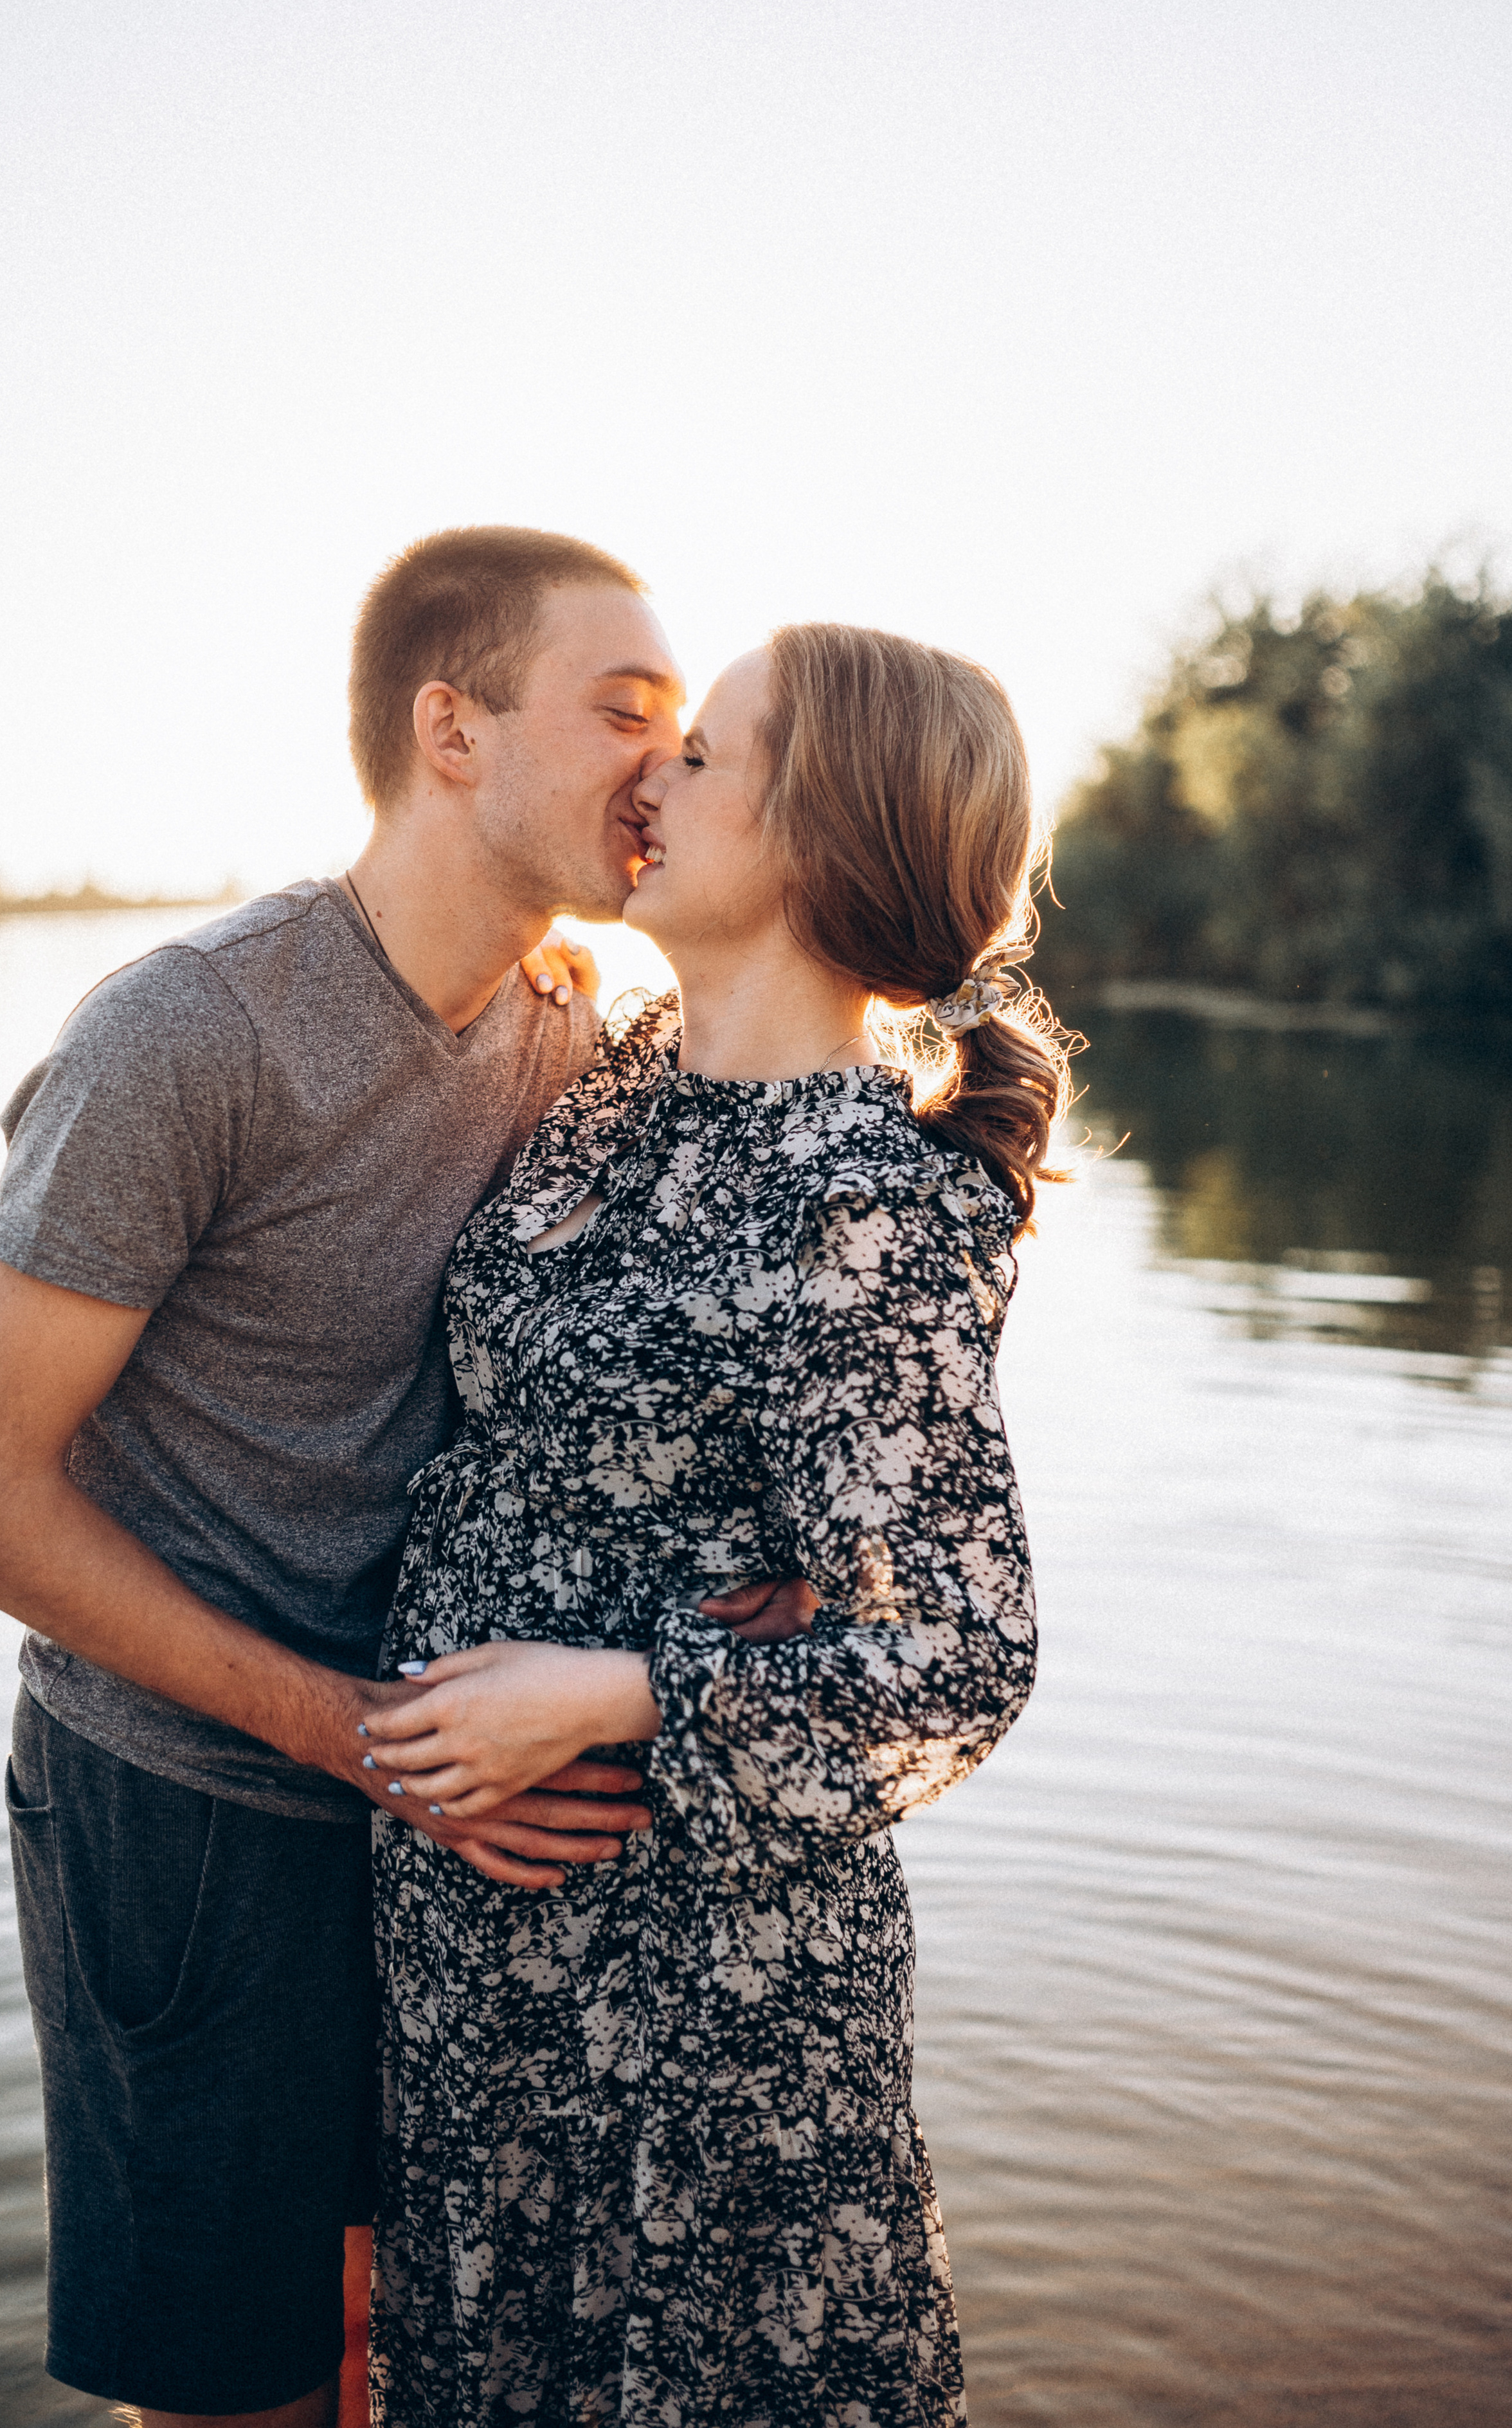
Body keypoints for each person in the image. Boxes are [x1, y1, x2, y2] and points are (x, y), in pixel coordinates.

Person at [0, 528, 809, 2428]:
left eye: (683, 723)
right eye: (622, 711)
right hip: (195, 1806)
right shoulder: (189, 1035)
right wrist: (359, 1737)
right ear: (451, 732)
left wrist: (794, 1547)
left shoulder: (581, 1028)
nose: (666, 762)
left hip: (452, 1804)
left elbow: (769, 1254)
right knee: (244, 2395)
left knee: (422, 2360)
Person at [361, 622, 1068, 2425]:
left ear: (819, 842)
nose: (649, 777)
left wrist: (615, 1693)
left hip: (697, 2004)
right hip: (493, 1969)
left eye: (706, 753)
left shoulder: (865, 1210)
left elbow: (960, 1662)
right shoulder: (619, 1082)